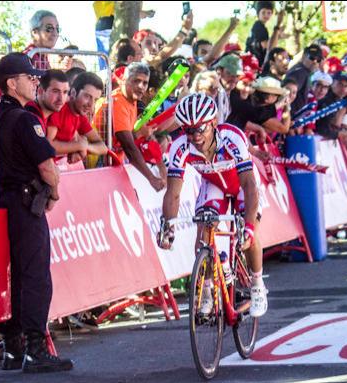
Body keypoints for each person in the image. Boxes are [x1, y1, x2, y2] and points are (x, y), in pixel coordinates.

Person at [0, 53, 73, 373]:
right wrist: (53, 193)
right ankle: (36, 349)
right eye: (29, 78)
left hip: (1, 204)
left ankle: (12, 348)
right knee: (35, 278)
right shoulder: (26, 119)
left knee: (12, 278)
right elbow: (48, 169)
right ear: (13, 83)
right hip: (26, 206)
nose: (34, 82)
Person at [157, 93, 269, 318]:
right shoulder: (180, 147)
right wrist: (168, 226)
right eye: (188, 130)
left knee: (250, 236)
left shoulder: (232, 136)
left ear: (214, 123)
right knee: (204, 229)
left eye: (200, 129)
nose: (195, 136)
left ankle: (257, 286)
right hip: (214, 183)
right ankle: (206, 289)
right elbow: (173, 193)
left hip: (241, 185)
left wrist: (247, 225)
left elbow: (248, 185)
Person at [94, 62, 165, 191]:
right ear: (123, 81)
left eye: (145, 83)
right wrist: (151, 178)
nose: (141, 86)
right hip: (100, 163)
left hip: (114, 162)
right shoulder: (117, 101)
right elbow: (128, 146)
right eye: (136, 81)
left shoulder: (132, 101)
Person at [48, 72, 108, 166]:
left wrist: (84, 147)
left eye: (95, 100)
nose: (91, 104)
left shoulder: (80, 116)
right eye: (87, 96)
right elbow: (47, 146)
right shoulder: (60, 109)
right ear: (73, 92)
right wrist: (78, 146)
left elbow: (103, 147)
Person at [285, 44, 324, 115]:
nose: (315, 62)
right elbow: (287, 94)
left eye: (318, 60)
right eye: (311, 58)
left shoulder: (305, 72)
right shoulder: (300, 72)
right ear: (303, 56)